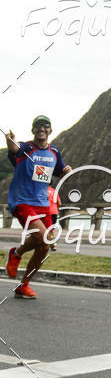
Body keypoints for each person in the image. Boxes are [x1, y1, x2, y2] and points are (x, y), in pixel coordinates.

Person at [4, 115, 71, 299]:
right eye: (38, 126)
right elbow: (15, 149)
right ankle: (16, 255)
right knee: (43, 238)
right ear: (33, 130)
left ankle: (22, 281)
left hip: (44, 204)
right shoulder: (26, 148)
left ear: (50, 130)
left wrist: (67, 171)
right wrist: (10, 142)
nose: (42, 128)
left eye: (45, 126)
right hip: (23, 202)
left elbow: (60, 171)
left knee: (44, 247)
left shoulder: (54, 151)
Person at [47, 184, 61, 251]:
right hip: (54, 212)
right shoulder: (55, 191)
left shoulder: (43, 191)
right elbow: (59, 203)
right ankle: (54, 244)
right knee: (52, 229)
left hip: (46, 212)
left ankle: (47, 243)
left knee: (45, 228)